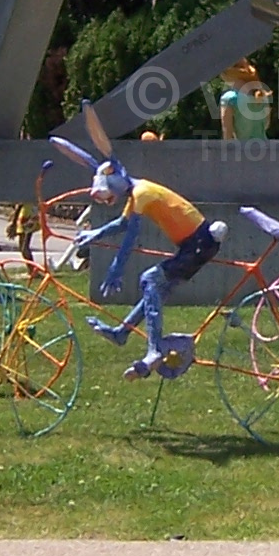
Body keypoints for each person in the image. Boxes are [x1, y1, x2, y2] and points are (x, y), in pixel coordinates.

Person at [50, 132, 227, 379]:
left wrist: (116, 269)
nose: (105, 195)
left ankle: (154, 350)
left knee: (150, 280)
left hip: (199, 243)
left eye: (107, 187)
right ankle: (121, 333)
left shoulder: (142, 193)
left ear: (120, 178)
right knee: (156, 291)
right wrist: (95, 235)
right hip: (195, 244)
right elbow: (122, 224)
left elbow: (131, 235)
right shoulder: (136, 193)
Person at [216, 60, 272, 140]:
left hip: (242, 150)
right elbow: (266, 125)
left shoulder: (229, 98)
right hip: (265, 148)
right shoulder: (263, 96)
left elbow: (227, 135)